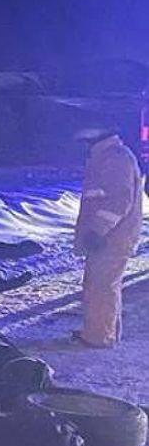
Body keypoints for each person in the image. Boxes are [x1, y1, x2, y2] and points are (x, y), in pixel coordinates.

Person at [72, 128, 145, 348]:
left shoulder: (114, 158)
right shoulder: (108, 156)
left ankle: (99, 337)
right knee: (100, 284)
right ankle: (102, 331)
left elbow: (119, 200)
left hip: (112, 237)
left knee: (101, 286)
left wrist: (98, 229)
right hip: (111, 235)